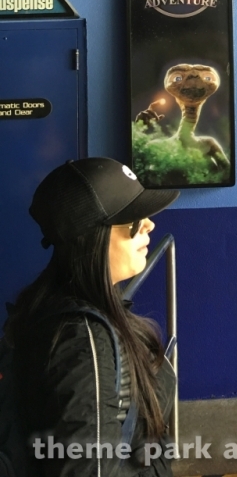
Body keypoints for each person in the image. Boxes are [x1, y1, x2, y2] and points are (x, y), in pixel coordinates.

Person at [4, 157, 179, 476]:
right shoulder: (82, 337)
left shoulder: (86, 314)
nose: (149, 224)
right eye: (133, 220)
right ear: (91, 236)